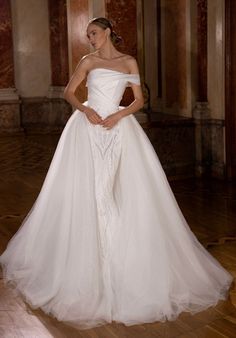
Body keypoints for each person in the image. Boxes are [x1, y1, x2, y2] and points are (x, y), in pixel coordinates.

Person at [0, 17, 233, 330]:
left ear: (107, 31)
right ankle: (88, 264)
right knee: (89, 192)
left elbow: (139, 99)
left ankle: (124, 264)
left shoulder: (128, 62)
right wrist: (87, 110)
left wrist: (119, 116)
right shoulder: (87, 61)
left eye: (93, 33)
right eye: (88, 35)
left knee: (122, 193)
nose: (90, 39)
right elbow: (69, 92)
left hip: (119, 130)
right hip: (88, 130)